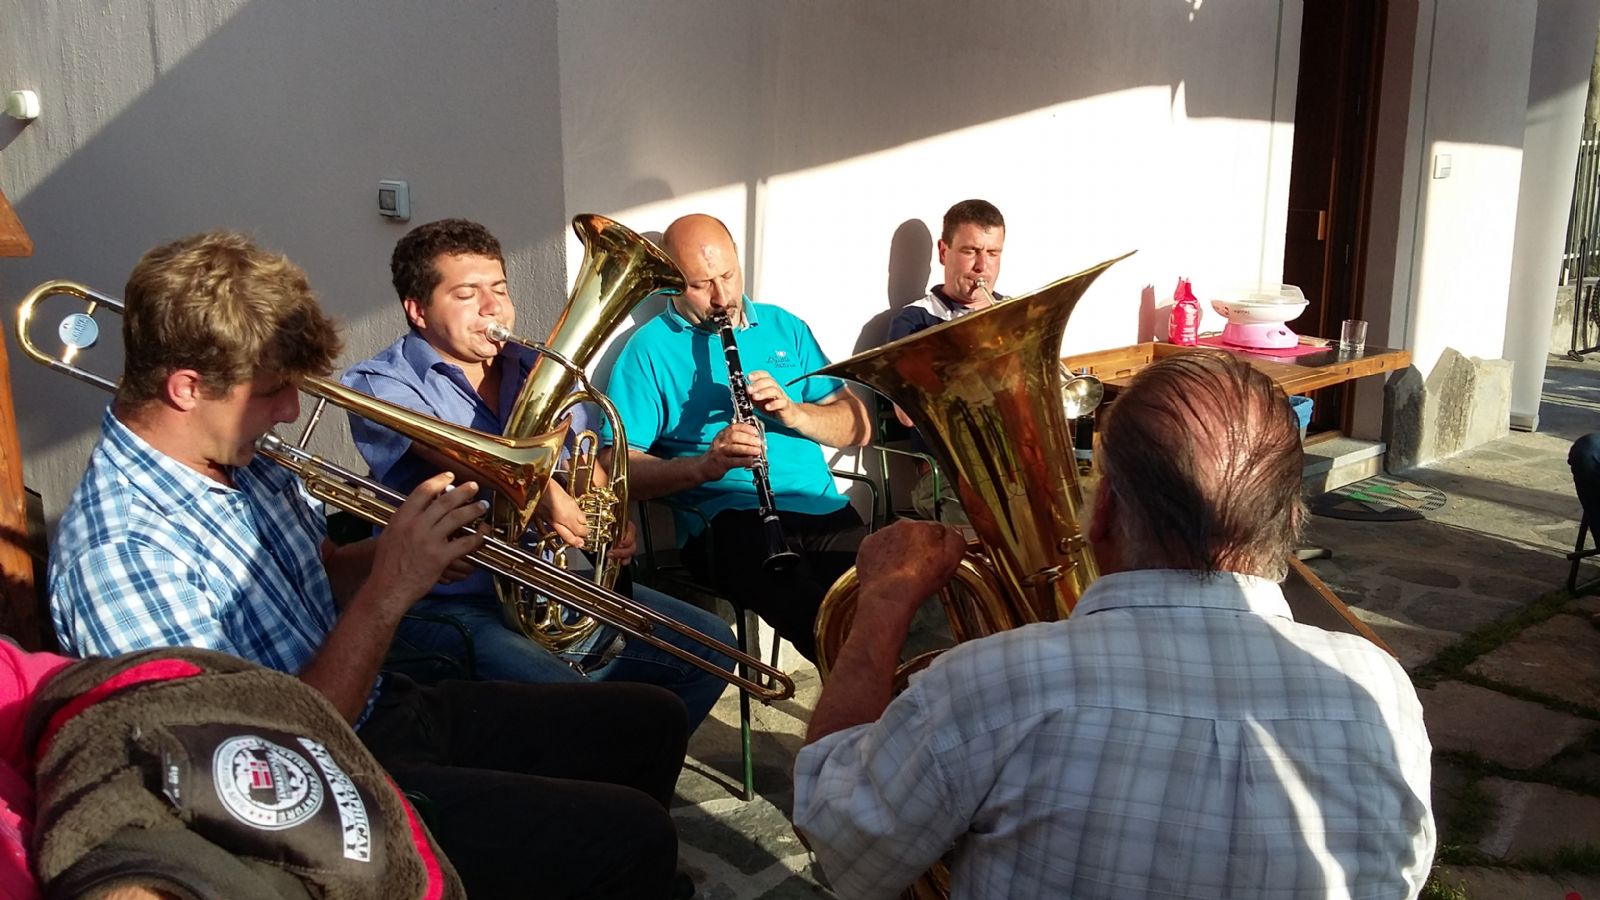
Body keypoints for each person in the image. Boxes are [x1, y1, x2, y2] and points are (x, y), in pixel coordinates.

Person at [47, 232, 691, 900]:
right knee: (631, 834)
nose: (291, 412)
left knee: (649, 720)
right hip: (325, 786)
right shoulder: (122, 553)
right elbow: (267, 762)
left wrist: (406, 549)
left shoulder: (242, 459)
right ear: (186, 388)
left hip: (381, 709)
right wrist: (392, 587)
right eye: (272, 393)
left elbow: (320, 568)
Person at [792, 350, 1435, 899]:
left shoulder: (988, 685)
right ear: (1291, 520)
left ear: (1101, 512)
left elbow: (839, 838)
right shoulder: (1382, 688)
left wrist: (883, 599)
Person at [341, 218, 734, 732]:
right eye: (467, 294)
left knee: (711, 646)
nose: (492, 307)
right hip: (446, 603)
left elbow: (584, 457)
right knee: (573, 704)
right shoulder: (380, 382)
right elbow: (444, 445)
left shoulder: (537, 367)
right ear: (418, 310)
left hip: (551, 585)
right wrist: (539, 489)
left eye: (500, 289)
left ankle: (630, 772)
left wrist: (606, 516)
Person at [604, 213, 875, 663]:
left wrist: (795, 413)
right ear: (670, 283)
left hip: (822, 507)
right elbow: (615, 467)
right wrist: (706, 465)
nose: (722, 297)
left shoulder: (784, 326)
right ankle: (871, 697)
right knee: (819, 618)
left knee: (880, 606)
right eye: (700, 284)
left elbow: (858, 426)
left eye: (728, 276)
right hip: (727, 522)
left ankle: (877, 694)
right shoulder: (648, 349)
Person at [9, 639, 466, 899]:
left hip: (365, 725)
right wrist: (392, 583)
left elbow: (50, 690)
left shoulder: (260, 494)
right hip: (368, 739)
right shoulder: (125, 546)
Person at [883, 199, 1007, 524]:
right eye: (970, 251)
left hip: (1016, 469)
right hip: (949, 476)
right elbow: (906, 414)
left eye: (993, 253)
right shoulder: (914, 322)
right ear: (943, 252)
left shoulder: (1013, 314)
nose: (982, 266)